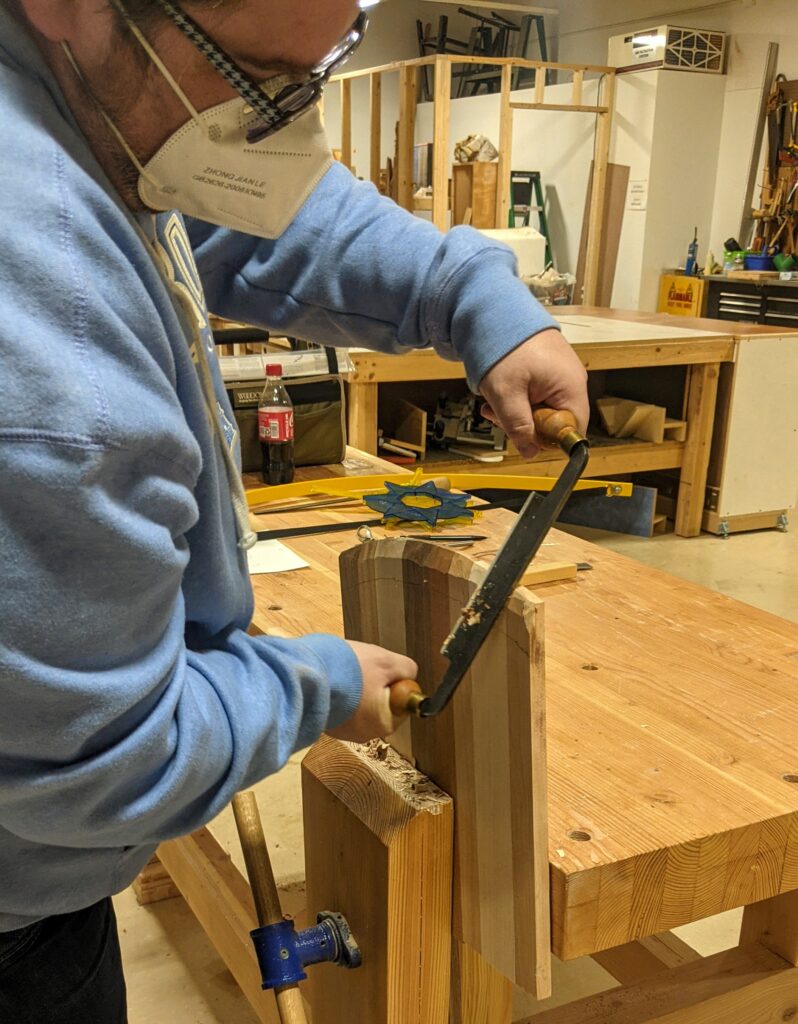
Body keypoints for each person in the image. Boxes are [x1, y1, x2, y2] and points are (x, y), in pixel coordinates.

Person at [0, 0, 589, 1019]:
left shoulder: (78, 82)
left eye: (322, 72)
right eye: (266, 80)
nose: (287, 123)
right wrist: (311, 685)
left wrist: (469, 298)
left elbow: (247, 199)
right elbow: (97, 768)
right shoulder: (53, 368)